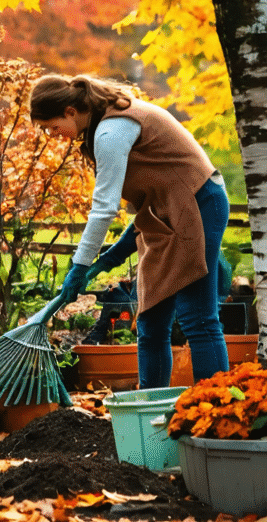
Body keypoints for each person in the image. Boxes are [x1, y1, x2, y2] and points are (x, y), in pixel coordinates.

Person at [30, 74, 230, 388]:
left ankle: (218, 414)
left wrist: (79, 265)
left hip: (198, 204)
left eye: (51, 126)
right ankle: (150, 412)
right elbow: (152, 200)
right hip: (168, 213)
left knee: (198, 318)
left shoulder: (111, 130)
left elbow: (104, 208)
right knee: (150, 321)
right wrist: (110, 257)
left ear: (70, 111)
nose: (51, 134)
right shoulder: (105, 124)